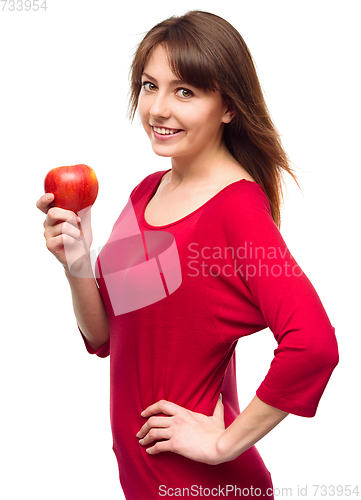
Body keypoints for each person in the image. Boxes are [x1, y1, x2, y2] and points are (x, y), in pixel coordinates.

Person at [36, 10, 339, 500]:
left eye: (185, 91)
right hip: (144, 480)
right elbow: (108, 333)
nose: (157, 109)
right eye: (149, 85)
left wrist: (223, 445)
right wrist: (77, 262)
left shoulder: (236, 210)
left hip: (205, 487)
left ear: (228, 107)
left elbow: (314, 345)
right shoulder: (147, 194)